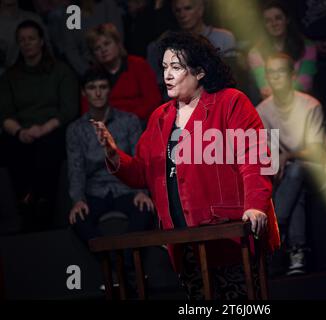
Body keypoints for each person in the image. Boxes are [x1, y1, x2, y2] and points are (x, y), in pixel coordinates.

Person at [92, 31, 280, 300]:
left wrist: (254, 206)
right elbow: (142, 173)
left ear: (200, 72)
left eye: (176, 67)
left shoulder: (230, 102)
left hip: (229, 237)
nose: (167, 75)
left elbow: (255, 160)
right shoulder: (160, 117)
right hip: (184, 244)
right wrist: (113, 154)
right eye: (165, 67)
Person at [257, 53, 326, 275]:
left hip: (318, 170)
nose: (275, 77)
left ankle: (276, 228)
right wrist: (278, 163)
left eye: (281, 71)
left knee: (298, 168)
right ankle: (297, 253)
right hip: (288, 174)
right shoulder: (262, 109)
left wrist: (288, 155)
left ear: (292, 75)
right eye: (271, 72)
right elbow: (267, 151)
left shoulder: (310, 105)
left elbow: (316, 150)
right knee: (295, 181)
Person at [67, 68, 154, 288]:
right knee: (78, 218)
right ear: (84, 93)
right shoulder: (76, 129)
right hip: (95, 191)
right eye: (92, 88)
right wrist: (77, 199)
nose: (97, 93)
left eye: (103, 87)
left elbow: (138, 159)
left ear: (110, 91)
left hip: (126, 187)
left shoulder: (129, 121)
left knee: (145, 209)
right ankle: (115, 267)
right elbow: (76, 168)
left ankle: (123, 267)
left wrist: (142, 191)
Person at [0, 19, 78, 231]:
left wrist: (42, 129)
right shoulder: (10, 76)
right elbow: (3, 111)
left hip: (51, 128)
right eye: (22, 40)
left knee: (49, 146)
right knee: (12, 146)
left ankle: (44, 204)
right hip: (20, 130)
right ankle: (25, 203)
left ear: (41, 41)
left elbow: (69, 108)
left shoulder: (60, 71)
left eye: (31, 39)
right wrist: (20, 131)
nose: (27, 43)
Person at [80, 23, 162, 124]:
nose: (103, 50)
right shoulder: (92, 75)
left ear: (118, 44)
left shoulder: (138, 65)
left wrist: (127, 120)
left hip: (139, 121)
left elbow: (153, 101)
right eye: (97, 48)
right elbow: (87, 109)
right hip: (105, 125)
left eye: (107, 44)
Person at [247, 1, 317, 100]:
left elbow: (305, 84)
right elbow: (265, 88)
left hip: (301, 102)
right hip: (271, 104)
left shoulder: (307, 47)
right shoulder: (255, 53)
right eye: (268, 20)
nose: (274, 24)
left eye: (278, 18)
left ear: (287, 19)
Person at [62, 0, 123, 76]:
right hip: (88, 69)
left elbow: (117, 37)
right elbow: (71, 49)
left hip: (114, 66)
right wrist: (87, 72)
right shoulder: (72, 13)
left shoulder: (107, 5)